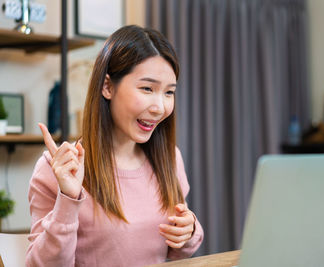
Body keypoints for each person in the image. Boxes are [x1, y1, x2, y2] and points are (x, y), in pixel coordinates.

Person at [26, 25, 204, 267]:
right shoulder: (56, 169)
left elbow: (175, 253)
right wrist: (68, 197)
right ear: (107, 87)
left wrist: (189, 231)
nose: (160, 107)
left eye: (169, 92)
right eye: (147, 89)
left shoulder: (169, 158)